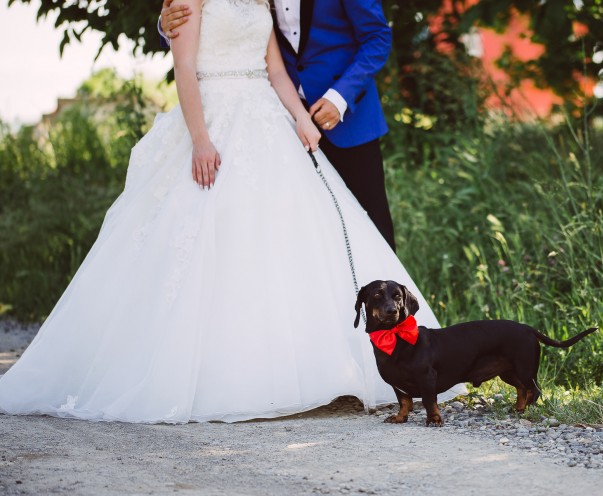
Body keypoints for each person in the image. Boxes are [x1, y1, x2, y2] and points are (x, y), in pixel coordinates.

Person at [0, 0, 459, 423]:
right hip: (218, 120)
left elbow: (293, 62)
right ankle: (233, 372)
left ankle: (396, 361)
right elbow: (185, 60)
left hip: (300, 118)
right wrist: (200, 136)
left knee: (322, 237)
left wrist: (302, 117)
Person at [161, 0, 397, 250]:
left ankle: (387, 289)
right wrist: (166, 23)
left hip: (344, 117)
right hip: (282, 122)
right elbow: (200, 27)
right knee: (299, 230)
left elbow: (377, 37)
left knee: (371, 226)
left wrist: (338, 99)